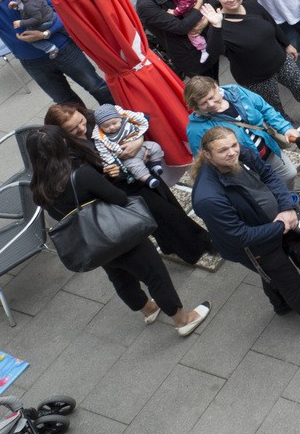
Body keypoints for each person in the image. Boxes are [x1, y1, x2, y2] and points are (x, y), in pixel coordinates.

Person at [28, 126, 210, 334]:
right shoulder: (81, 175)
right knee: (154, 274)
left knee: (120, 278)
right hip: (120, 235)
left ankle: (148, 309)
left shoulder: (38, 188)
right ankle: (183, 320)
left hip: (93, 242)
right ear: (62, 144)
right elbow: (119, 198)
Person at [191, 126, 300, 333]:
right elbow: (240, 236)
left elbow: (268, 175)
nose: (233, 152)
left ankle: (281, 304)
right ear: (207, 155)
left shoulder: (239, 153)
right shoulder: (208, 198)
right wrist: (280, 225)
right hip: (255, 246)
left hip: (273, 223)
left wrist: (287, 208)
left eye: (234, 145)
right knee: (289, 281)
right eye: (223, 150)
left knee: (271, 273)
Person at [44, 104, 216, 267]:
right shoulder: (67, 151)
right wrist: (107, 171)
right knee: (165, 214)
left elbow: (133, 121)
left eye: (81, 122)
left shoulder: (93, 117)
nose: (82, 128)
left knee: (168, 203)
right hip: (121, 186)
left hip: (140, 169)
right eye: (73, 129)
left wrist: (137, 142)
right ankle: (199, 244)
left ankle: (172, 245)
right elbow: (86, 178)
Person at [0, 0, 114, 109]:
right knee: (66, 103)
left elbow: (64, 13)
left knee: (96, 86)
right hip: (31, 60)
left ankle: (118, 118)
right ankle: (86, 129)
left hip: (63, 48)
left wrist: (45, 33)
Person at [201, 0, 300, 115]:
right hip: (255, 77)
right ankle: (289, 131)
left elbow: (271, 23)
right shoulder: (217, 23)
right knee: (273, 108)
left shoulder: (252, 6)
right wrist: (217, 26)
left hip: (280, 60)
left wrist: (286, 44)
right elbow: (214, 51)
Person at [183, 76, 300, 184]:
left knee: (289, 175)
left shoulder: (236, 92)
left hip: (268, 152)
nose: (211, 104)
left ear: (216, 87)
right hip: (243, 170)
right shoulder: (196, 129)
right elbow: (204, 160)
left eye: (211, 97)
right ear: (195, 106)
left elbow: (264, 109)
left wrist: (285, 128)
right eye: (203, 103)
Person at [90, 104, 163, 185]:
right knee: (135, 167)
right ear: (100, 127)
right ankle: (149, 179)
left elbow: (137, 116)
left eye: (114, 123)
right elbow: (104, 153)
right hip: (127, 157)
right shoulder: (102, 138)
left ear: (120, 119)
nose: (111, 127)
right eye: (106, 126)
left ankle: (156, 165)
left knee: (155, 146)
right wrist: (113, 163)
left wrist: (144, 118)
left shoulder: (126, 120)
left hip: (142, 146)